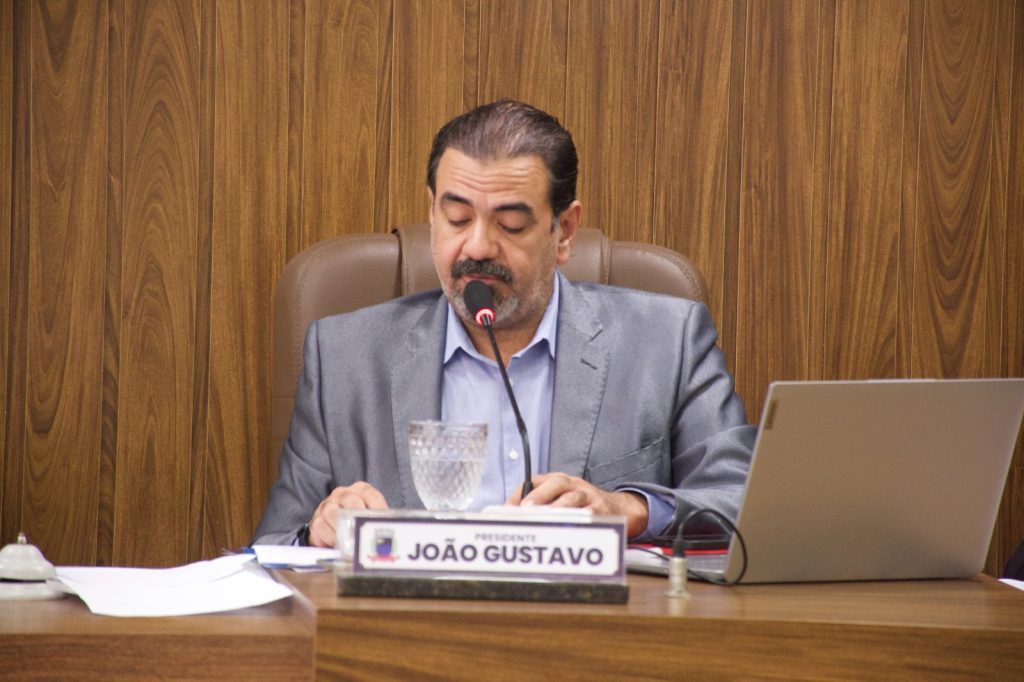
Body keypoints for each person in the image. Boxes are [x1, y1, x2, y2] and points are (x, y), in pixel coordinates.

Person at [253, 100, 755, 547]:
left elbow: (743, 504)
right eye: (456, 218)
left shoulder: (666, 342)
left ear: (564, 231)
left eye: (510, 224)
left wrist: (630, 509)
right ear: (432, 213)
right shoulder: (343, 356)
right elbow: (273, 544)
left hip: (594, 620)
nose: (477, 246)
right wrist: (316, 531)